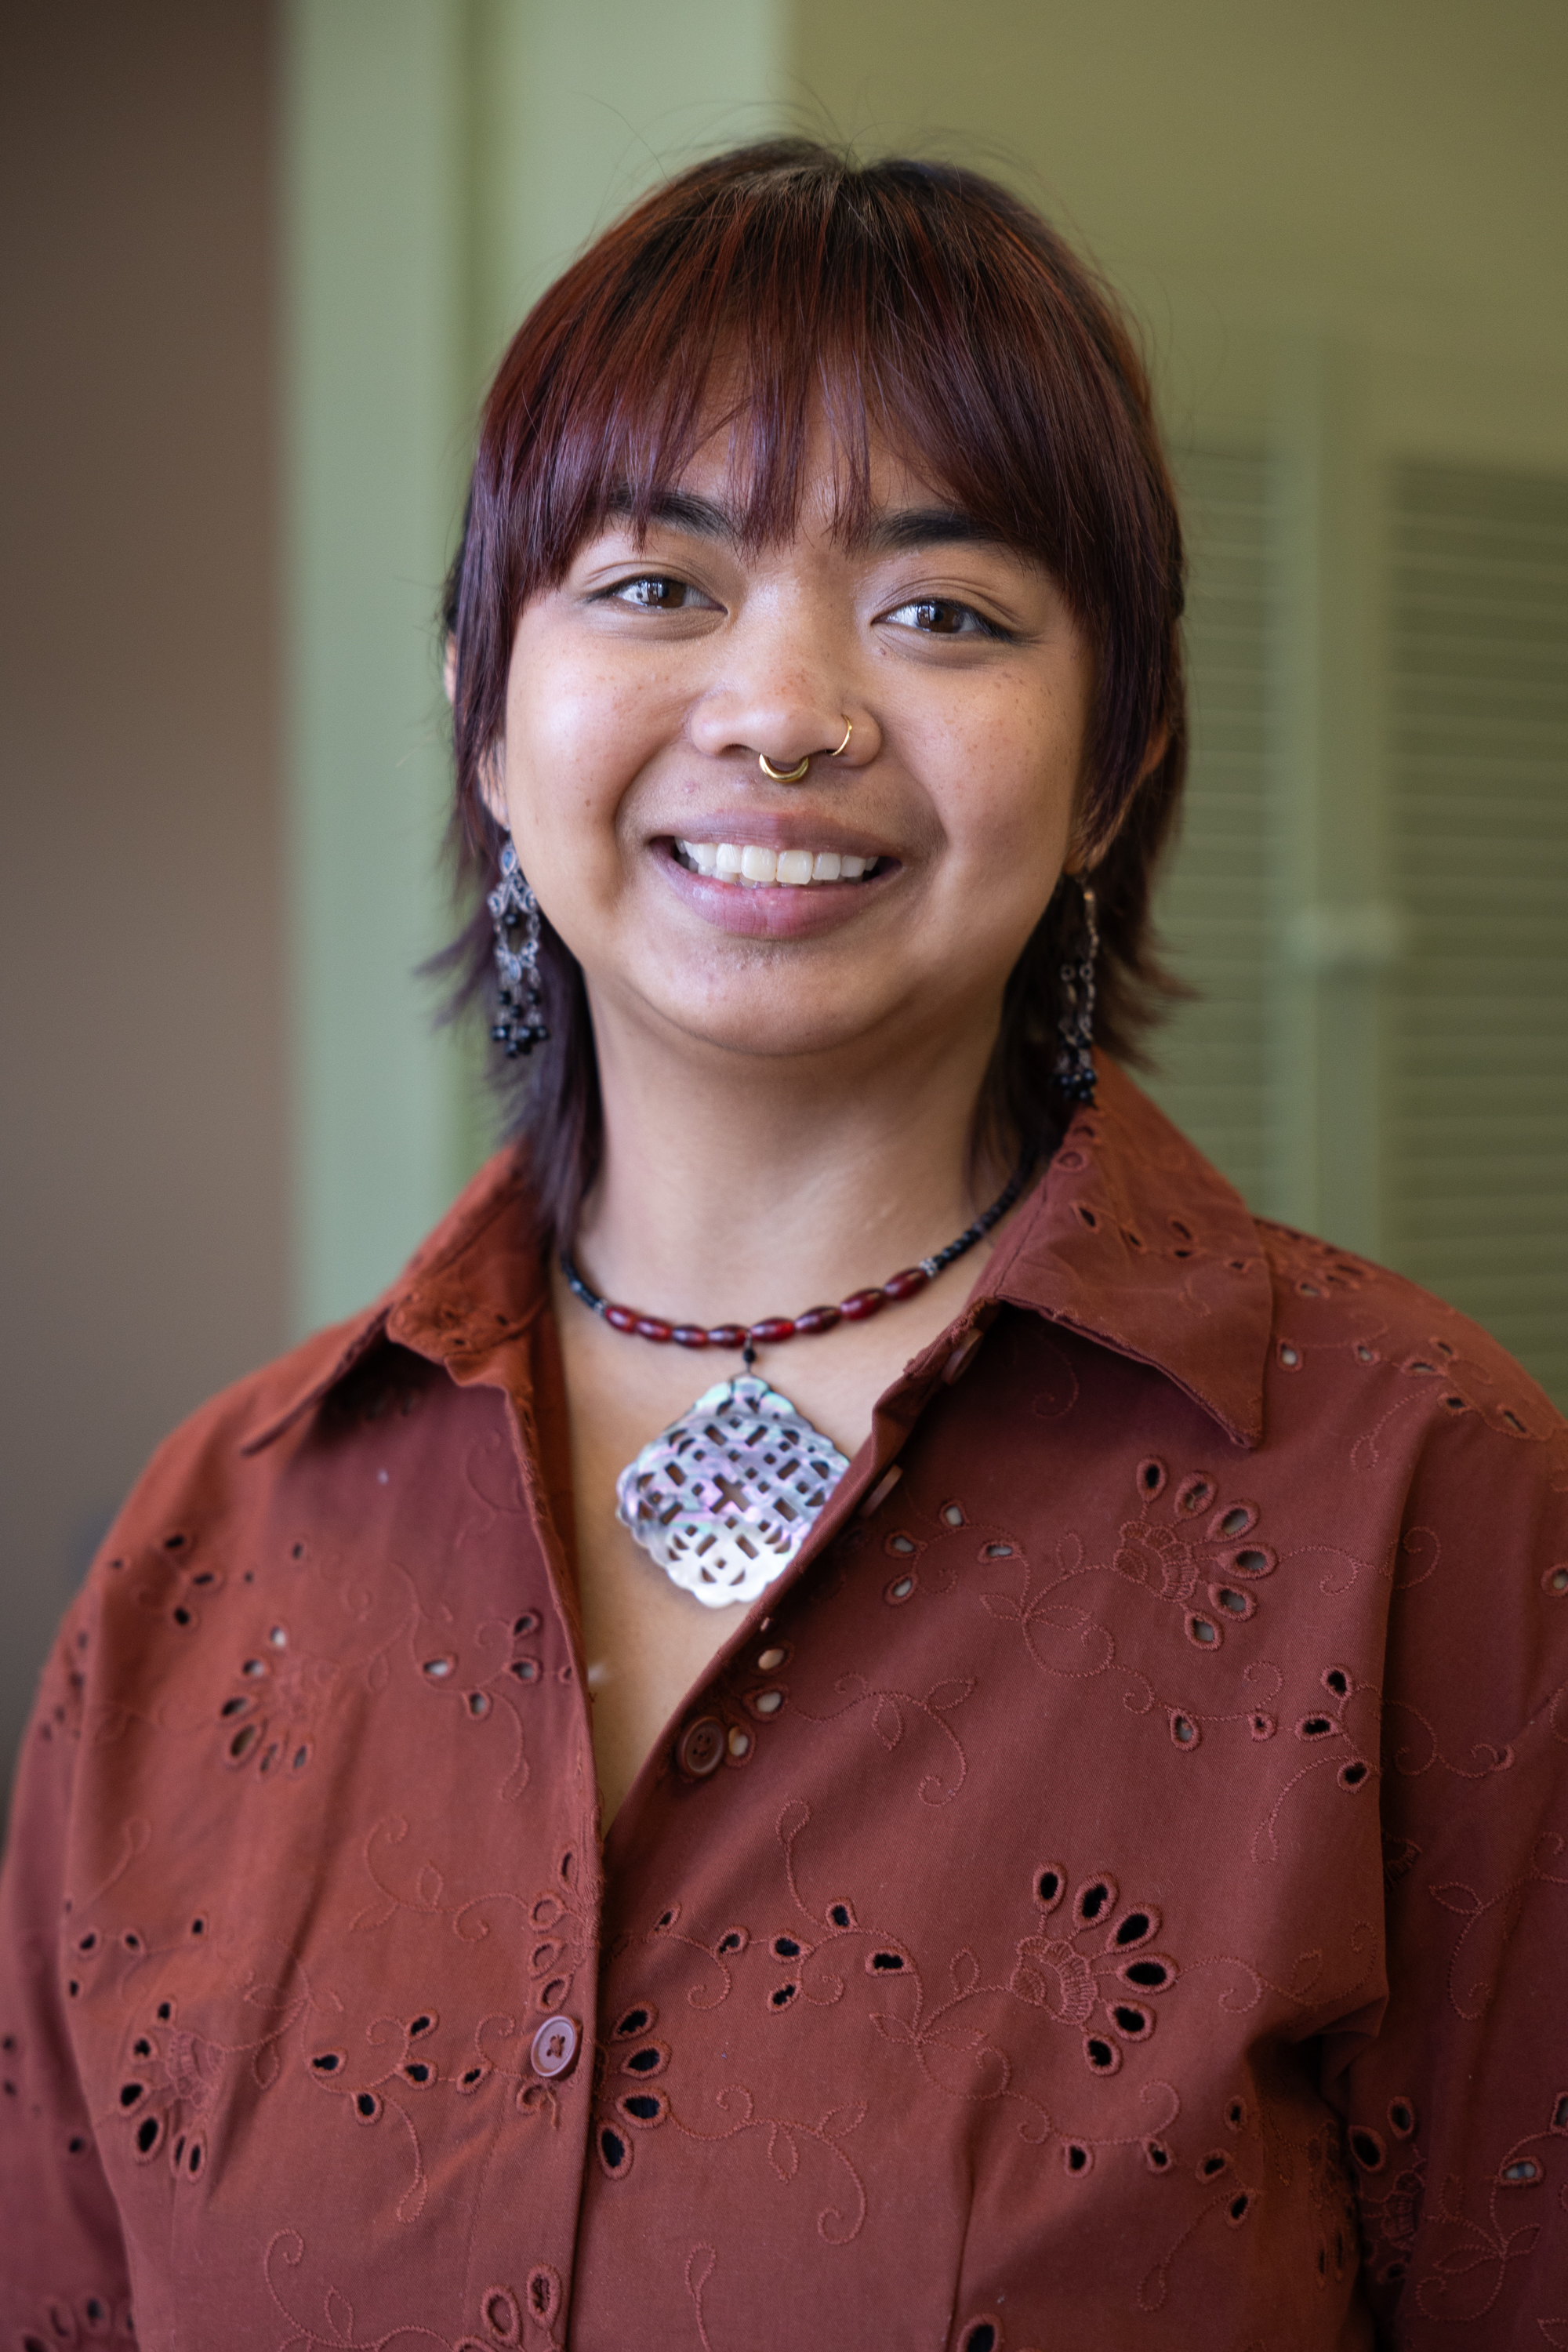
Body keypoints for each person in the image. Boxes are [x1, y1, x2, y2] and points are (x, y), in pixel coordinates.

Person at [2, 140, 1564, 2352]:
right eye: (656, 584)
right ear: (481, 705)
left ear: (1115, 762)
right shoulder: (211, 1543)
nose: (785, 710)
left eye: (944, 611)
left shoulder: (1423, 1495)